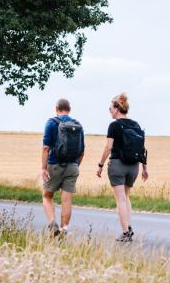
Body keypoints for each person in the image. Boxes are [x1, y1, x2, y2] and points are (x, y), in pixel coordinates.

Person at [96, 93, 148, 242]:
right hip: (134, 167)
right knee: (126, 197)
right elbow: (142, 148)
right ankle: (128, 227)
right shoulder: (136, 124)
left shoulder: (114, 125)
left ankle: (125, 233)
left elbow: (108, 147)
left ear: (117, 108)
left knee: (120, 200)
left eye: (110, 108)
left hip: (118, 165)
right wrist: (145, 168)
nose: (110, 111)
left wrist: (100, 164)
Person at [42, 98, 85, 237]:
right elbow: (82, 151)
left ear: (56, 108)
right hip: (73, 166)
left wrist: (43, 168)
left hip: (54, 165)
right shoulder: (77, 125)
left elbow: (45, 148)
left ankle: (52, 223)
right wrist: (75, 166)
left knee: (47, 196)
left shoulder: (51, 123)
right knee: (66, 200)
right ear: (69, 109)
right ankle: (64, 230)